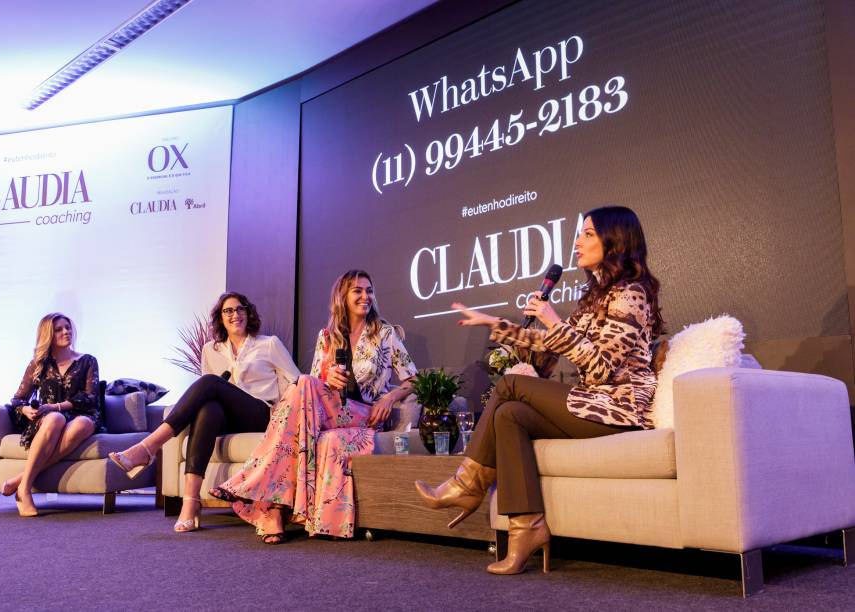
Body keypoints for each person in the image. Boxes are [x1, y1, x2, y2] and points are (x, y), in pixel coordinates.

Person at [416, 205, 664, 574]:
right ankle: (527, 529)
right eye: (579, 233)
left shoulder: (631, 294)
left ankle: (467, 484)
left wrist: (554, 321)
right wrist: (494, 323)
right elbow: (546, 343)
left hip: (618, 407)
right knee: (510, 415)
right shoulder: (599, 295)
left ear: (615, 241)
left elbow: (601, 369)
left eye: (588, 234)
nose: (577, 242)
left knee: (514, 384)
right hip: (596, 402)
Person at [211, 269, 417, 543]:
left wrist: (389, 398)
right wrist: (327, 377)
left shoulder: (384, 333)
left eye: (369, 290)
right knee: (307, 382)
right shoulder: (328, 336)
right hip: (330, 413)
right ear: (342, 297)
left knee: (304, 384)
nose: (365, 296)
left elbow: (414, 379)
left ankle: (271, 505)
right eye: (358, 291)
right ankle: (275, 506)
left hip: (364, 414)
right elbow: (313, 388)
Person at [109, 292, 300, 532]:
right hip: (228, 417)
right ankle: (191, 501)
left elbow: (296, 381)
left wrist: (285, 411)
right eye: (228, 311)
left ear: (248, 313)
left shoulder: (268, 343)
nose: (235, 314)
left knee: (210, 382)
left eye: (240, 309)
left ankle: (148, 447)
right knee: (208, 408)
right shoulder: (211, 349)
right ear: (220, 318)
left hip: (260, 413)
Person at [4, 313, 102, 517]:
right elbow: (17, 399)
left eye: (68, 327)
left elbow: (90, 397)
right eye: (59, 329)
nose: (66, 332)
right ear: (48, 334)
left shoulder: (88, 361)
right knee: (55, 419)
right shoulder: (39, 365)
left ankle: (21, 481)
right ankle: (25, 490)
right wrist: (25, 409)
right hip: (49, 420)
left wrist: (56, 406)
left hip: (81, 415)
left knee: (80, 424)